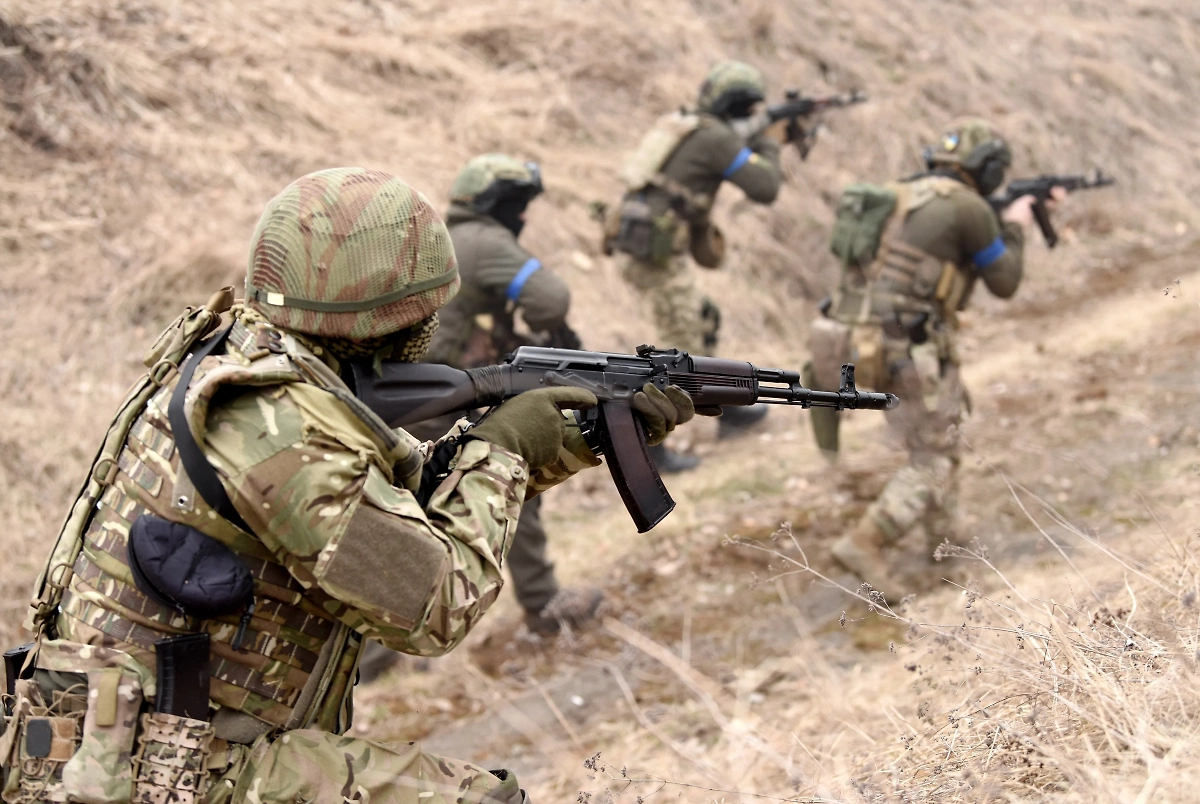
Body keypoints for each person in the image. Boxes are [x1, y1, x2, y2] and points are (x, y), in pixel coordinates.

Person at [8, 168, 695, 804]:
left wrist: (573, 438)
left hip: (133, 740)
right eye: (428, 307)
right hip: (150, 772)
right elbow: (436, 607)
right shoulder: (276, 430)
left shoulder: (255, 357)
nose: (434, 322)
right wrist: (505, 449)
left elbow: (400, 504)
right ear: (392, 316)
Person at [361, 154, 598, 685]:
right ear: (496, 204)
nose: (524, 215)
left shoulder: (449, 238)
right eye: (518, 204)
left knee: (475, 488)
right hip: (438, 399)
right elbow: (551, 299)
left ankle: (540, 600)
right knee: (420, 513)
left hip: (422, 393)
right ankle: (368, 660)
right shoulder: (485, 241)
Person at [807, 119, 1063, 596]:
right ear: (986, 169)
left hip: (855, 337)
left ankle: (946, 541)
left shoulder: (900, 194)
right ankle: (866, 541)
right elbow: (1004, 281)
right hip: (906, 345)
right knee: (934, 457)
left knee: (938, 438)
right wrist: (1016, 225)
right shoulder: (968, 207)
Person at [606, 60, 785, 470]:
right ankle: (647, 447)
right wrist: (771, 142)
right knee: (676, 355)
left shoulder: (689, 124)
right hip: (655, 255)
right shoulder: (717, 138)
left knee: (703, 318)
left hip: (643, 246)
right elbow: (765, 187)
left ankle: (729, 411)